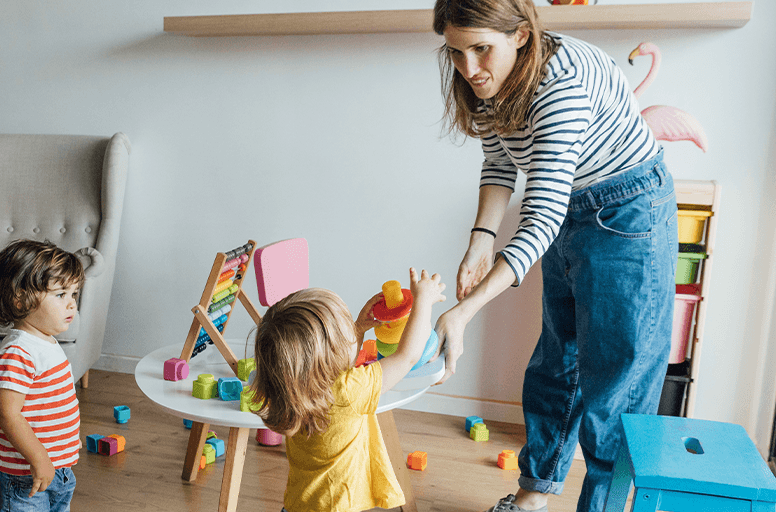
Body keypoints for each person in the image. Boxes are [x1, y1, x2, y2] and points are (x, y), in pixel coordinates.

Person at [429, 1, 678, 511]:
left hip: (627, 212)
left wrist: (463, 312)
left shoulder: (559, 85)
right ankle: (532, 497)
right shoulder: (488, 80)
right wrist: (481, 237)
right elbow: (500, 159)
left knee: (617, 387)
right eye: (456, 52)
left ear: (520, 35)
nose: (469, 68)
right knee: (556, 363)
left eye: (481, 49)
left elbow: (540, 218)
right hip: (572, 207)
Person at [250, 268, 446, 512]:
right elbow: (407, 356)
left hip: (297, 505)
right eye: (346, 333)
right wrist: (423, 303)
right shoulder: (348, 390)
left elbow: (331, 364)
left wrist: (359, 327)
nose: (351, 334)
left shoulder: (292, 389)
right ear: (329, 358)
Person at [0, 239, 85, 512]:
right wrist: (39, 457)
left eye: (74, 294)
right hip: (23, 475)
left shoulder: (47, 343)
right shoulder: (18, 351)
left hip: (57, 469)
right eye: (60, 294)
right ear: (21, 299)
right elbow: (8, 413)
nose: (71, 305)